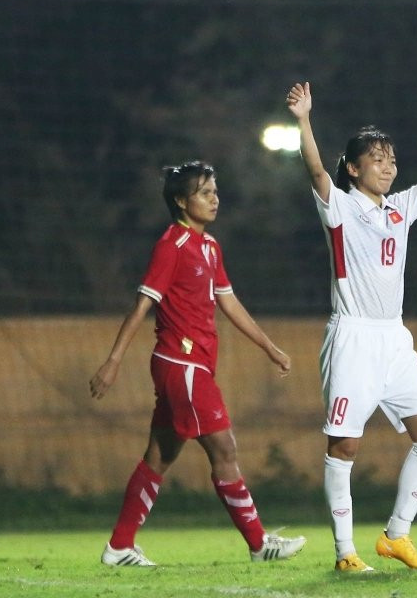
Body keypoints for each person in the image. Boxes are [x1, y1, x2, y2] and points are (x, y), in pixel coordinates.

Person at [285, 81, 417, 572]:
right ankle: (345, 552)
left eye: (391, 159)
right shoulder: (339, 206)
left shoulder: (400, 208)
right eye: (377, 159)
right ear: (354, 167)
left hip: (394, 339)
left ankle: (396, 535)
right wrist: (304, 121)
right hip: (354, 337)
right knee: (344, 446)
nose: (388, 166)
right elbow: (316, 169)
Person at [89, 160, 306, 566]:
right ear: (180, 200)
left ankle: (119, 545)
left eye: (215, 190)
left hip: (195, 366)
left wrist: (268, 346)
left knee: (159, 455)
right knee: (224, 448)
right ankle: (260, 544)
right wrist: (113, 361)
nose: (214, 198)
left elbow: (229, 301)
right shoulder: (171, 245)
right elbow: (142, 305)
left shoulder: (210, 246)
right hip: (181, 363)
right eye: (204, 192)